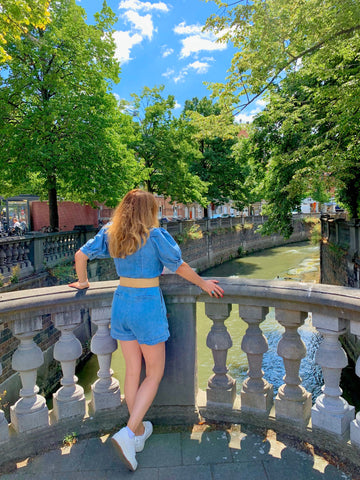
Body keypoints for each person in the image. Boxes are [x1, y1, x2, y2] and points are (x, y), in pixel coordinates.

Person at [69, 189, 224, 472]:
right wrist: (203, 284)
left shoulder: (112, 233)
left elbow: (81, 255)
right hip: (147, 306)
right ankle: (128, 433)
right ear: (149, 210)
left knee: (131, 370)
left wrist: (83, 283)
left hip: (121, 302)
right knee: (153, 373)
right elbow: (178, 266)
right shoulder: (154, 235)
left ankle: (138, 431)